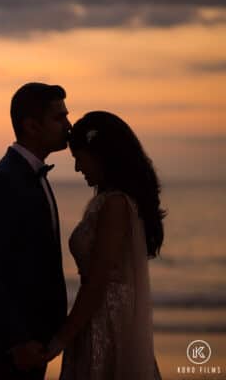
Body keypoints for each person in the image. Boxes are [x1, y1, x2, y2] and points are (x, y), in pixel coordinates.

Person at [45, 111, 165, 379]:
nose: (77, 168)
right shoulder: (111, 201)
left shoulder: (115, 205)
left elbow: (97, 283)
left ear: (100, 153)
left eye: (79, 158)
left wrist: (59, 340)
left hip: (106, 322)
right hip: (100, 316)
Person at [0, 82, 71, 380]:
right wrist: (19, 340)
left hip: (34, 341)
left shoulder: (31, 174)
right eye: (59, 118)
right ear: (31, 126)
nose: (69, 125)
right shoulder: (7, 180)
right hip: (14, 348)